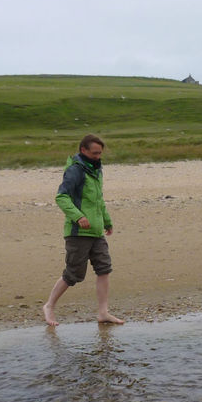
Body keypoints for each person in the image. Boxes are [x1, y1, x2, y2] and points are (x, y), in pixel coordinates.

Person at [43, 134, 124, 326]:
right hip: (77, 232)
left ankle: (103, 312)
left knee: (104, 269)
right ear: (83, 151)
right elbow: (61, 197)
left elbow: (98, 200)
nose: (98, 156)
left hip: (96, 231)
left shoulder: (96, 170)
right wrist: (78, 217)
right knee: (73, 274)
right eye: (94, 153)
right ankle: (49, 306)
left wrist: (107, 221)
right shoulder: (75, 171)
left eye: (100, 153)